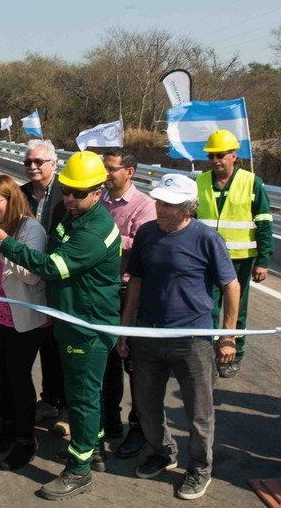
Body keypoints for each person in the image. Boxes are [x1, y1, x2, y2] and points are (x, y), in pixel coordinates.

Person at [0, 151, 121, 501]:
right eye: (67, 191)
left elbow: (53, 266)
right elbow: (53, 250)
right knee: (85, 393)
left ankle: (79, 470)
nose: (69, 198)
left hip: (86, 326)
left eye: (77, 192)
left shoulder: (96, 228)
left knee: (82, 397)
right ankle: (92, 448)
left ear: (98, 191)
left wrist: (5, 245)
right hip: (68, 320)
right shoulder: (74, 218)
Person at [118, 173, 239, 501]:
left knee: (199, 411)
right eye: (157, 200)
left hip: (193, 340)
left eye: (167, 204)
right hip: (148, 334)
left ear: (187, 208)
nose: (158, 207)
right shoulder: (146, 233)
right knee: (145, 403)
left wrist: (227, 338)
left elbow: (231, 286)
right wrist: (126, 329)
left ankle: (200, 467)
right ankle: (163, 452)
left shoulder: (207, 239)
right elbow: (137, 283)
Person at [0, 175, 49, 470]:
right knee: (0, 376)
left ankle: (26, 440)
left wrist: (2, 246)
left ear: (11, 200)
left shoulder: (31, 229)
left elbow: (33, 275)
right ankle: (7, 425)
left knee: (18, 377)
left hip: (22, 316)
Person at [195, 129, 274, 378]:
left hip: (240, 259)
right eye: (212, 156)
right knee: (208, 308)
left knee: (236, 310)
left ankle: (233, 354)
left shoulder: (251, 182)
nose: (216, 160)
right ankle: (208, 352)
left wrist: (263, 260)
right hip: (207, 258)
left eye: (221, 155)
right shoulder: (200, 181)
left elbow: (263, 221)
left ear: (234, 155)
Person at [98, 148, 156, 458]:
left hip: (128, 292)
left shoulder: (144, 205)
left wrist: (104, 238)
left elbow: (143, 244)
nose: (106, 174)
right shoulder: (100, 200)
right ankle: (111, 420)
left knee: (134, 363)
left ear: (129, 172)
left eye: (111, 168)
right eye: (104, 168)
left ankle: (139, 428)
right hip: (102, 290)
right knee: (107, 359)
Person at [19, 138, 68, 432]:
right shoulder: (21, 194)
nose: (33, 167)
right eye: (28, 163)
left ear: (54, 163)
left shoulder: (67, 192)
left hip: (60, 278)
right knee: (38, 343)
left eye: (39, 162)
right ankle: (48, 400)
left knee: (60, 346)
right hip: (29, 280)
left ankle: (66, 407)